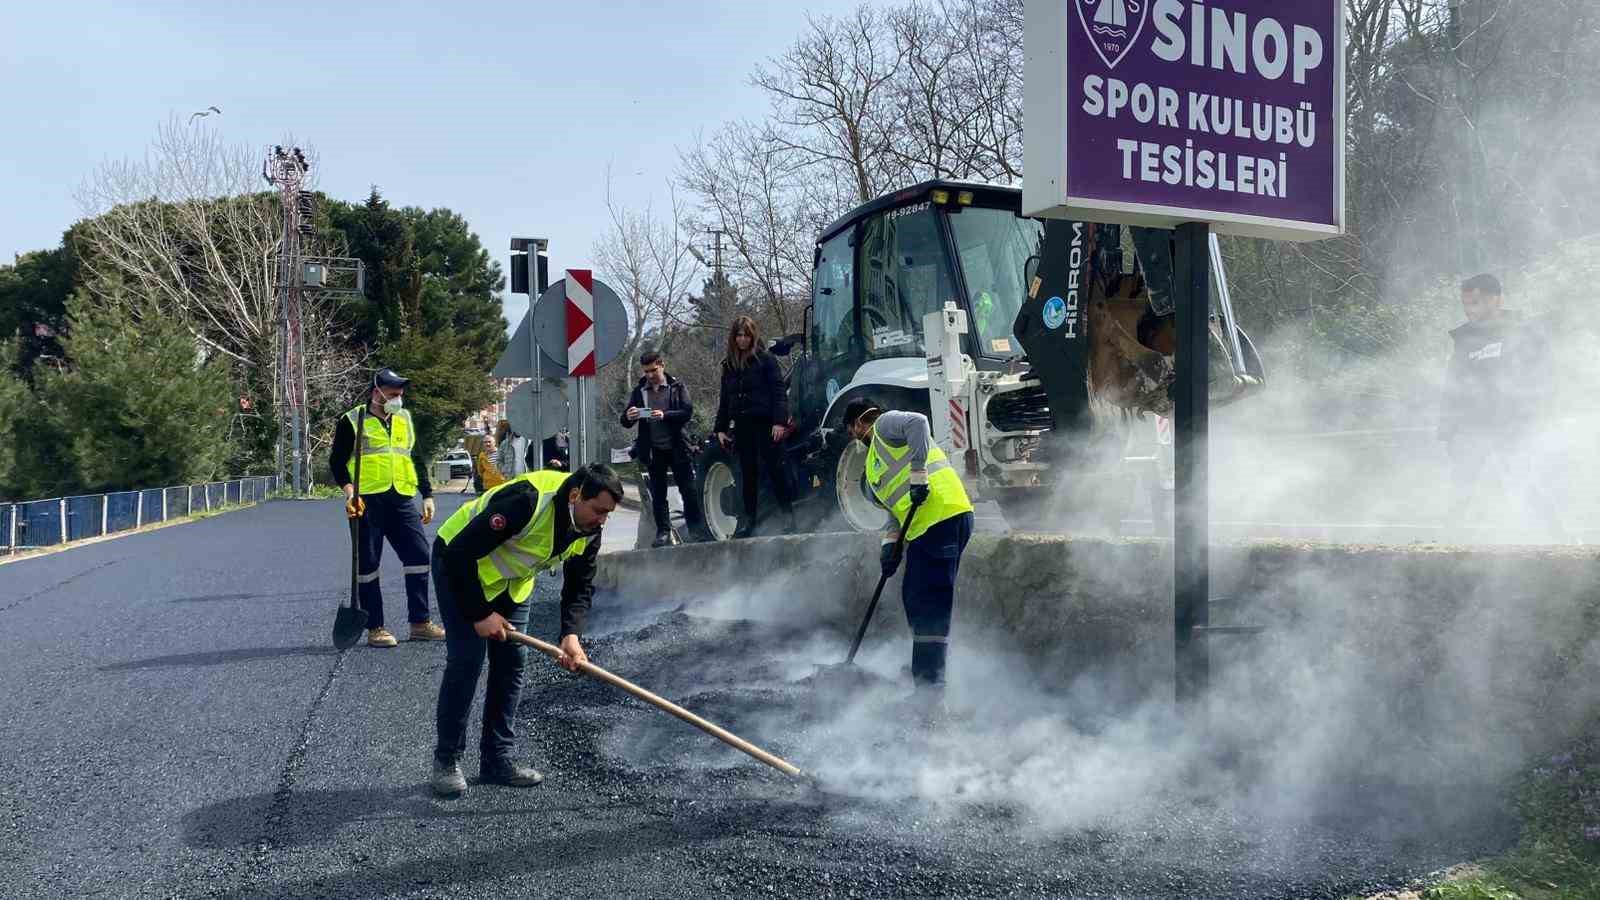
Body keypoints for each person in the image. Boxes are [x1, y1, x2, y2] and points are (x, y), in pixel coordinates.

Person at [428, 464, 622, 797]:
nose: (602, 520)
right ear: (576, 496)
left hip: (512, 584)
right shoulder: (528, 501)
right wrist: (480, 613)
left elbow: (579, 586)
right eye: (598, 510)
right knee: (467, 662)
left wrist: (570, 635)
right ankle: (446, 761)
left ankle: (496, 759)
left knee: (512, 665)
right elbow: (459, 554)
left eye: (608, 514)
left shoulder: (590, 528)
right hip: (460, 567)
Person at [843, 399, 975, 702]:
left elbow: (918, 421)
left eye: (852, 430)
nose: (854, 437)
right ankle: (924, 664)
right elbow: (895, 512)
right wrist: (889, 548)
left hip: (943, 516)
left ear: (859, 422)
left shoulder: (885, 424)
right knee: (914, 597)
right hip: (929, 527)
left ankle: (929, 687)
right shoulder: (875, 469)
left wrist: (919, 475)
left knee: (931, 604)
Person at [1437, 273, 1567, 540]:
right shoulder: (1464, 340)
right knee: (1460, 490)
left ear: (1496, 300)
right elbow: (1452, 388)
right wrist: (1447, 431)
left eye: (1475, 303)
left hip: (1512, 428)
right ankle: (1444, 546)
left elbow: (1547, 379)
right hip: (1471, 429)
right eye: (1465, 304)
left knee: (1524, 485)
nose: (1469, 310)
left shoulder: (1525, 333)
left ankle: (1560, 542)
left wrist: (1532, 419)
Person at [328, 368, 445, 647]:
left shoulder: (404, 418)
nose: (399, 397)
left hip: (402, 497)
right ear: (376, 391)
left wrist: (426, 495)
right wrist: (349, 493)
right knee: (367, 564)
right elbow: (337, 462)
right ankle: (375, 627)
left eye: (401, 393)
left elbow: (414, 458)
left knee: (418, 555)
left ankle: (419, 622)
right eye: (393, 393)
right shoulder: (353, 420)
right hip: (366, 501)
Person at [713, 316, 797, 537]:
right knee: (747, 476)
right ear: (734, 338)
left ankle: (788, 516)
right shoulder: (729, 365)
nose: (742, 339)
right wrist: (720, 428)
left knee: (777, 470)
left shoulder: (766, 360)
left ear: (752, 336)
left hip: (766, 424)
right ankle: (749, 521)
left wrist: (779, 421)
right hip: (742, 426)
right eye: (739, 335)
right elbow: (725, 399)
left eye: (746, 335)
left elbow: (779, 392)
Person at [622, 350, 707, 547]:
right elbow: (625, 421)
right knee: (659, 494)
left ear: (662, 365)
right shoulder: (639, 391)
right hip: (653, 450)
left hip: (677, 446)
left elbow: (687, 411)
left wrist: (665, 415)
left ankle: (695, 529)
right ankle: (663, 532)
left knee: (688, 490)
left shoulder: (677, 387)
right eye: (646, 372)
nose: (650, 375)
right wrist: (630, 415)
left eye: (653, 370)